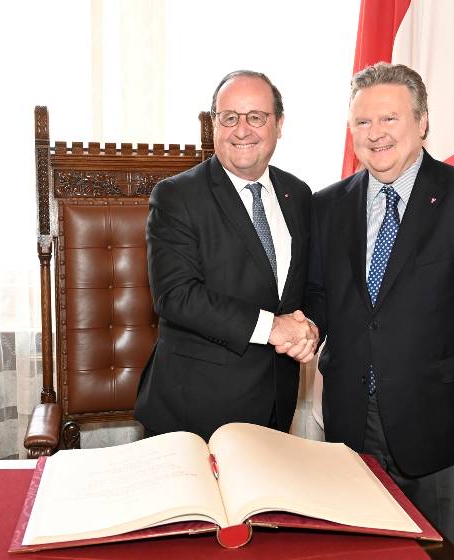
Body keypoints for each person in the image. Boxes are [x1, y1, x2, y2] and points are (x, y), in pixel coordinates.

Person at [305, 62, 454, 550]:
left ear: (422, 122)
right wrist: (304, 327)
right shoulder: (326, 206)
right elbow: (322, 296)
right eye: (363, 122)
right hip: (348, 418)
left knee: (436, 548)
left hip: (440, 421)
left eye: (390, 119)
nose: (376, 134)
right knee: (357, 546)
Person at [135, 70, 318, 441]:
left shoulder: (297, 194)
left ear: (279, 124)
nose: (241, 129)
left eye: (256, 117)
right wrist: (273, 328)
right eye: (229, 117)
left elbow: (306, 285)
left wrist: (309, 329)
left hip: (275, 407)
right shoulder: (177, 197)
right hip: (195, 413)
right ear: (213, 123)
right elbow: (176, 296)